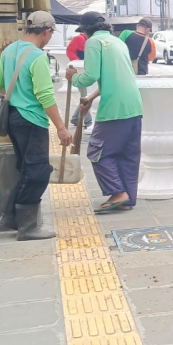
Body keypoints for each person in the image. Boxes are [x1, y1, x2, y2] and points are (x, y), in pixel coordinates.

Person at [0, 11, 73, 240]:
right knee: (38, 172)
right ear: (47, 32)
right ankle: (26, 227)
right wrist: (61, 127)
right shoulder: (37, 57)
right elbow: (45, 95)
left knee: (27, 169)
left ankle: (10, 217)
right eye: (51, 34)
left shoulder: (9, 50)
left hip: (13, 118)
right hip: (31, 120)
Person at [67, 11, 144, 213]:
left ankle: (118, 193)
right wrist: (91, 98)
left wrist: (73, 78)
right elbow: (114, 76)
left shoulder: (93, 42)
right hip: (134, 106)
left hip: (114, 108)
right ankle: (127, 198)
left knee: (97, 152)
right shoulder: (118, 42)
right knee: (127, 155)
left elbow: (90, 76)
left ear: (86, 31)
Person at [66, 27, 93, 128]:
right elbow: (70, 51)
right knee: (86, 97)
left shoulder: (88, 40)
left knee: (85, 96)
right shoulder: (79, 39)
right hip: (80, 71)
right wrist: (77, 62)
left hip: (84, 70)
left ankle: (76, 118)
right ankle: (88, 121)